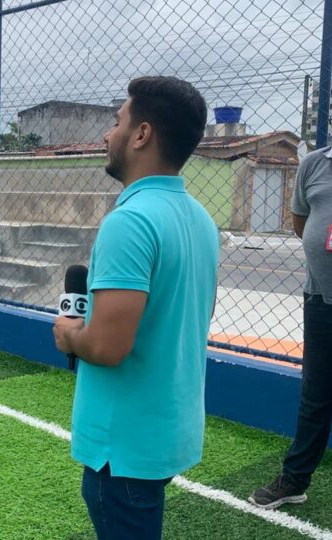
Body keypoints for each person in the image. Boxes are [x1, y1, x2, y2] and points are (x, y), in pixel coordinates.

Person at [53, 76, 218, 539]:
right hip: (167, 432)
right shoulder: (201, 219)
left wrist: (69, 334)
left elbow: (106, 346)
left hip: (123, 446)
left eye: (117, 121)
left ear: (142, 134)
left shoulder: (129, 221)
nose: (108, 135)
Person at [249, 144, 332, 510]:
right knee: (315, 397)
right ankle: (295, 480)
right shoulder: (314, 164)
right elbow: (302, 222)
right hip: (321, 300)